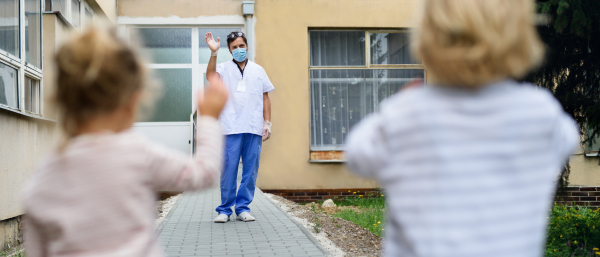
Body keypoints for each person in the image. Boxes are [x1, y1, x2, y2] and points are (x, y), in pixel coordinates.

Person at [345, 0, 579, 256]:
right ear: (521, 35)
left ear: (427, 37)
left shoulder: (407, 114)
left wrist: (396, 106)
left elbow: (356, 154)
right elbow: (568, 139)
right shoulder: (540, 113)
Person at [22, 24, 228, 257]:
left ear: (63, 99)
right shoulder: (135, 154)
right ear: (132, 100)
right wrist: (209, 118)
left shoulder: (41, 180)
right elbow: (205, 172)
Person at [205, 31, 274, 223]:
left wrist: (266, 123)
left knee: (250, 170)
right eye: (234, 47)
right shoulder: (223, 68)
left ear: (247, 46)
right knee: (228, 169)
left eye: (241, 46)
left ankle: (243, 208)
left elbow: (265, 98)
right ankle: (225, 209)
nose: (238, 50)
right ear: (229, 50)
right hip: (230, 127)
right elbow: (210, 76)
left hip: (253, 127)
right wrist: (213, 53)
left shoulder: (258, 70)